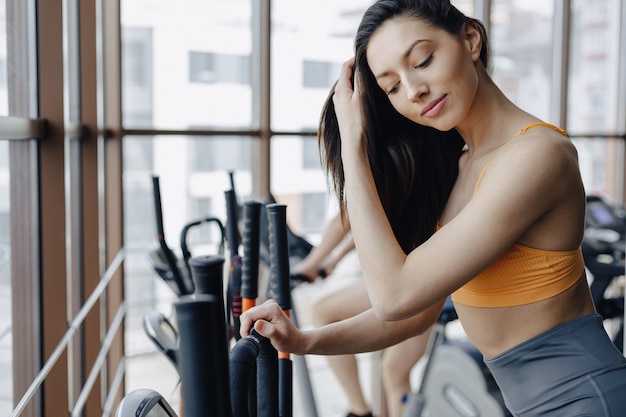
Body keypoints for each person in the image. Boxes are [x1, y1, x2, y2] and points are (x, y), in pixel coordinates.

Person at [241, 1, 626, 416]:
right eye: (391, 87)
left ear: (471, 39)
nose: (413, 90)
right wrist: (303, 341)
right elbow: (414, 315)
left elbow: (395, 297)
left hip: (587, 400)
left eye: (423, 60)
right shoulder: (460, 165)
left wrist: (353, 146)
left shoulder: (537, 156)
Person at [292, 213, 431, 417]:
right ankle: (360, 410)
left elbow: (347, 217)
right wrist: (334, 259)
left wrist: (311, 263)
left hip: (415, 280)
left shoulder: (373, 180)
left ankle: (359, 411)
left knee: (323, 312)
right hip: (419, 274)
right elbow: (367, 223)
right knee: (395, 372)